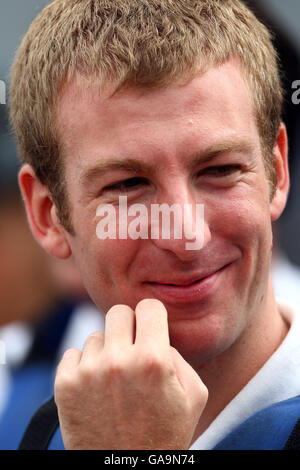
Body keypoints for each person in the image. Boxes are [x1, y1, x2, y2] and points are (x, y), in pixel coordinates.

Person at [8, 0, 300, 450]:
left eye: (219, 170)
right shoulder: (45, 427)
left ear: (277, 172)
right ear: (48, 214)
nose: (186, 235)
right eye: (128, 184)